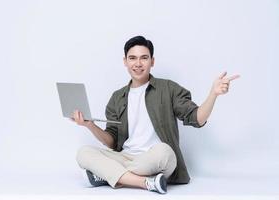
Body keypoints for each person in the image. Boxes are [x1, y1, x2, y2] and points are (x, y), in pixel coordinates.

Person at [71, 36, 239, 194]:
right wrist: (89, 125)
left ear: (152, 61)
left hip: (153, 159)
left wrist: (213, 94)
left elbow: (197, 118)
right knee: (83, 153)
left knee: (166, 152)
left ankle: (109, 175)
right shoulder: (117, 97)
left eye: (144, 58)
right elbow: (112, 142)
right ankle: (146, 183)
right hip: (125, 157)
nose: (138, 63)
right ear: (125, 61)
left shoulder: (168, 89)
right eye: (132, 58)